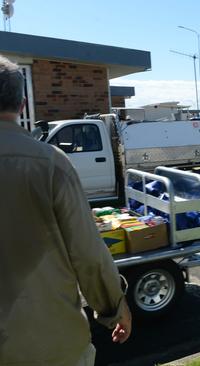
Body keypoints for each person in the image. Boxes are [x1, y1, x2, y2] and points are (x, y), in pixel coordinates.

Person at [0, 55, 131, 365]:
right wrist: (115, 308)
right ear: (22, 104)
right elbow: (87, 252)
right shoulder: (49, 162)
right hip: (49, 344)